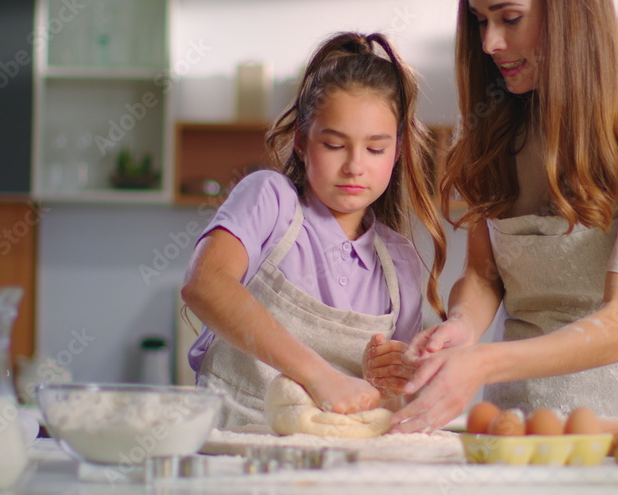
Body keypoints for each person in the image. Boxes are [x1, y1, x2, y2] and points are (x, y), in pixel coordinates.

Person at [386, 0, 618, 433]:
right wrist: (461, 330)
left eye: (510, 19)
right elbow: (484, 275)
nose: (490, 43)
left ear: (573, 10)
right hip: (517, 420)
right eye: (480, 21)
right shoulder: (489, 122)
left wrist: (482, 363)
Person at [182, 32, 446, 427]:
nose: (355, 165)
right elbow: (205, 285)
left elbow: (397, 400)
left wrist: (390, 378)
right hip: (233, 449)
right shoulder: (270, 200)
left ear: (398, 151)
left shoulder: (400, 260)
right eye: (335, 145)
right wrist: (320, 376)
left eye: (375, 148)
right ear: (303, 143)